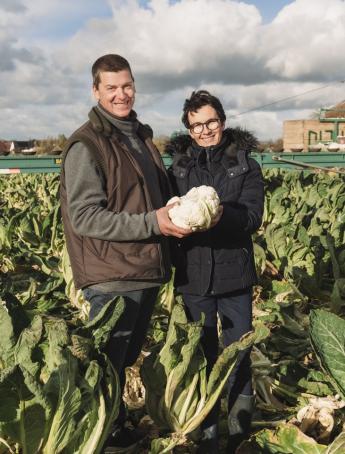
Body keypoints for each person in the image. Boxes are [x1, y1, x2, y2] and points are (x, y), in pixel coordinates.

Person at [59, 54, 191, 451]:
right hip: (112, 272)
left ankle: (113, 426)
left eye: (127, 85)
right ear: (96, 91)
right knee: (107, 362)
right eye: (111, 88)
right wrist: (154, 223)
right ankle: (97, 438)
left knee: (124, 356)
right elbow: (85, 217)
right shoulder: (87, 144)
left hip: (144, 267)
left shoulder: (138, 135)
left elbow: (150, 197)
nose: (122, 94)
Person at [166, 90, 264, 453]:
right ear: (189, 129)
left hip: (234, 274)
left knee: (238, 354)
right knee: (203, 355)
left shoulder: (246, 165)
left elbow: (252, 217)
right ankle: (207, 437)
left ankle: (239, 435)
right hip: (193, 275)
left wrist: (222, 216)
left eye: (210, 122)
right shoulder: (177, 167)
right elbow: (169, 209)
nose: (205, 130)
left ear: (222, 121)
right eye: (196, 126)